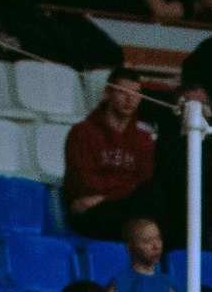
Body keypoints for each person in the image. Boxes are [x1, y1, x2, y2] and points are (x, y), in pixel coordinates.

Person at [62, 70, 160, 241]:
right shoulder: (82, 132)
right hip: (90, 213)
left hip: (122, 207)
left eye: (136, 93)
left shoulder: (144, 140)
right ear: (107, 93)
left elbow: (144, 184)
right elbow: (84, 182)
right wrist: (125, 187)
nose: (130, 99)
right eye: (123, 92)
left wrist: (103, 197)